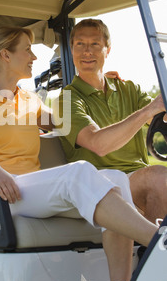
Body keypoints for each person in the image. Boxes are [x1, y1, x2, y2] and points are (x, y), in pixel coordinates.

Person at [0, 26, 158, 281]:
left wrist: (101, 83)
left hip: (28, 194)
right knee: (78, 173)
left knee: (115, 177)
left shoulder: (29, 100)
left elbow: (78, 125)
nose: (34, 56)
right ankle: (158, 242)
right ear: (6, 55)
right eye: (27, 49)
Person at [56, 18, 167, 224]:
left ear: (107, 50)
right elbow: (99, 145)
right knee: (160, 178)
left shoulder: (128, 89)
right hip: (98, 184)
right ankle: (152, 252)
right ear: (71, 50)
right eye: (80, 44)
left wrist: (159, 106)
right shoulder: (66, 100)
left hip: (136, 177)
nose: (87, 51)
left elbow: (160, 115)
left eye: (95, 44)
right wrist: (148, 110)